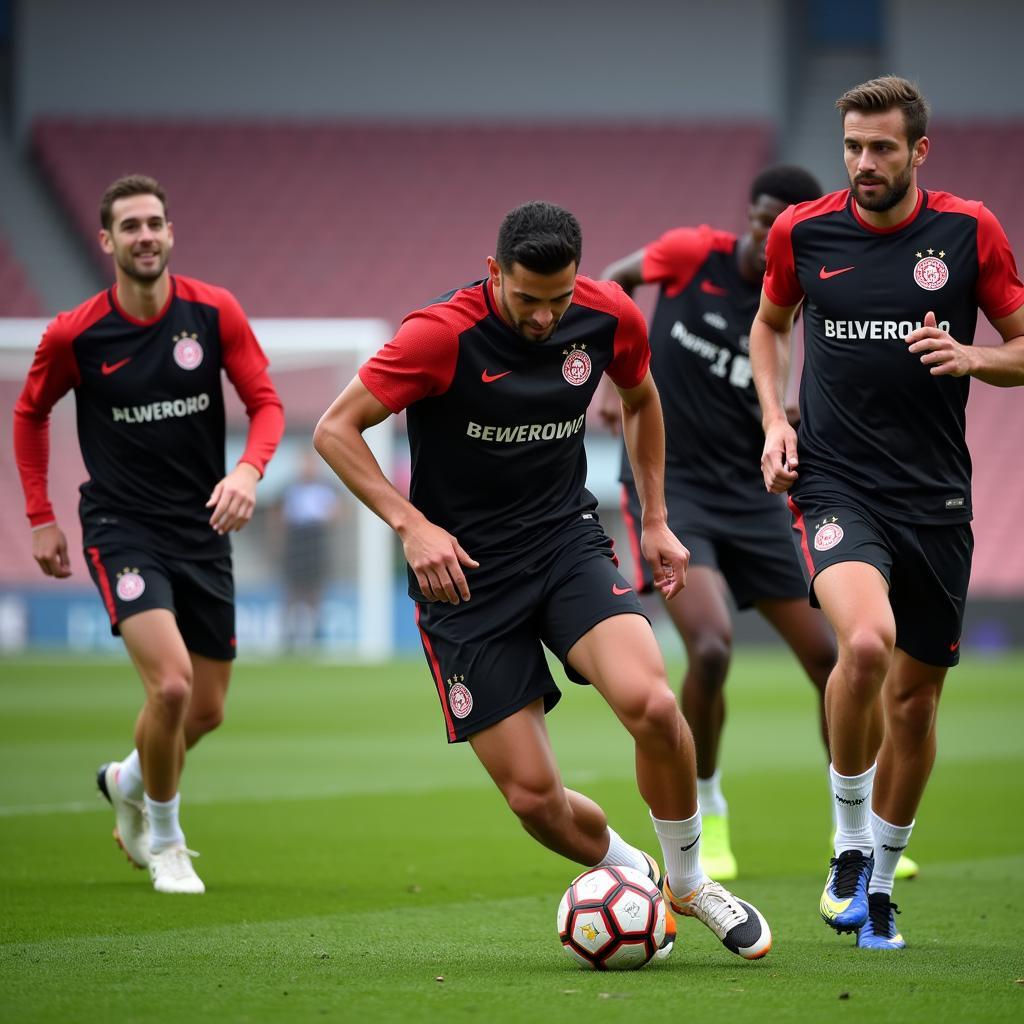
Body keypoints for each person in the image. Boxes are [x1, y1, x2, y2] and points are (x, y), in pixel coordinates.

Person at [314, 200, 772, 962]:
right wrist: (411, 524)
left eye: (558, 299)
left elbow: (641, 398)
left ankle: (690, 883)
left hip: (564, 544)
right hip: (464, 578)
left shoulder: (605, 315)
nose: (543, 317)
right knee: (534, 799)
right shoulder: (439, 336)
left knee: (655, 704)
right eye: (527, 299)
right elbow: (336, 428)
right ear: (495, 273)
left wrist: (654, 519)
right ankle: (636, 875)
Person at [751, 77, 1024, 950]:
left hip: (937, 498)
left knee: (914, 708)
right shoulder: (803, 230)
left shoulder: (968, 230)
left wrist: (975, 357)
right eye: (852, 148)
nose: (864, 164)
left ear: (919, 152)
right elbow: (769, 326)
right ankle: (848, 845)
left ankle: (881, 876)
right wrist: (772, 421)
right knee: (862, 644)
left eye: (881, 148)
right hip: (837, 486)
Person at [13, 174, 284, 894]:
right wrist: (40, 516)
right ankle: (164, 838)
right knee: (169, 687)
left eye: (154, 224)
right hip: (120, 526)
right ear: (106, 240)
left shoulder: (212, 311)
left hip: (201, 527)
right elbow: (30, 413)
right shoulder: (76, 333)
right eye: (129, 226)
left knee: (207, 709)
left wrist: (249, 473)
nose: (144, 236)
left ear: (170, 233)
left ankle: (126, 779)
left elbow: (265, 403)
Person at [598, 165, 860, 882]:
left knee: (833, 662)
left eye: (783, 226)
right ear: (748, 216)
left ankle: (855, 835)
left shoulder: (800, 296)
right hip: (672, 487)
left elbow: (785, 387)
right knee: (711, 649)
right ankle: (707, 809)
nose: (766, 236)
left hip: (752, 495)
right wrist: (611, 372)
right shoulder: (693, 255)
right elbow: (609, 284)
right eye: (760, 220)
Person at [275, 451, 344, 650]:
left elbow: (337, 512)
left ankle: (316, 634)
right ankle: (288, 635)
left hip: (316, 540)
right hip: (295, 542)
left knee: (315, 591)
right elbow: (279, 516)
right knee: (292, 591)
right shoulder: (289, 488)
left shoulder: (327, 487)